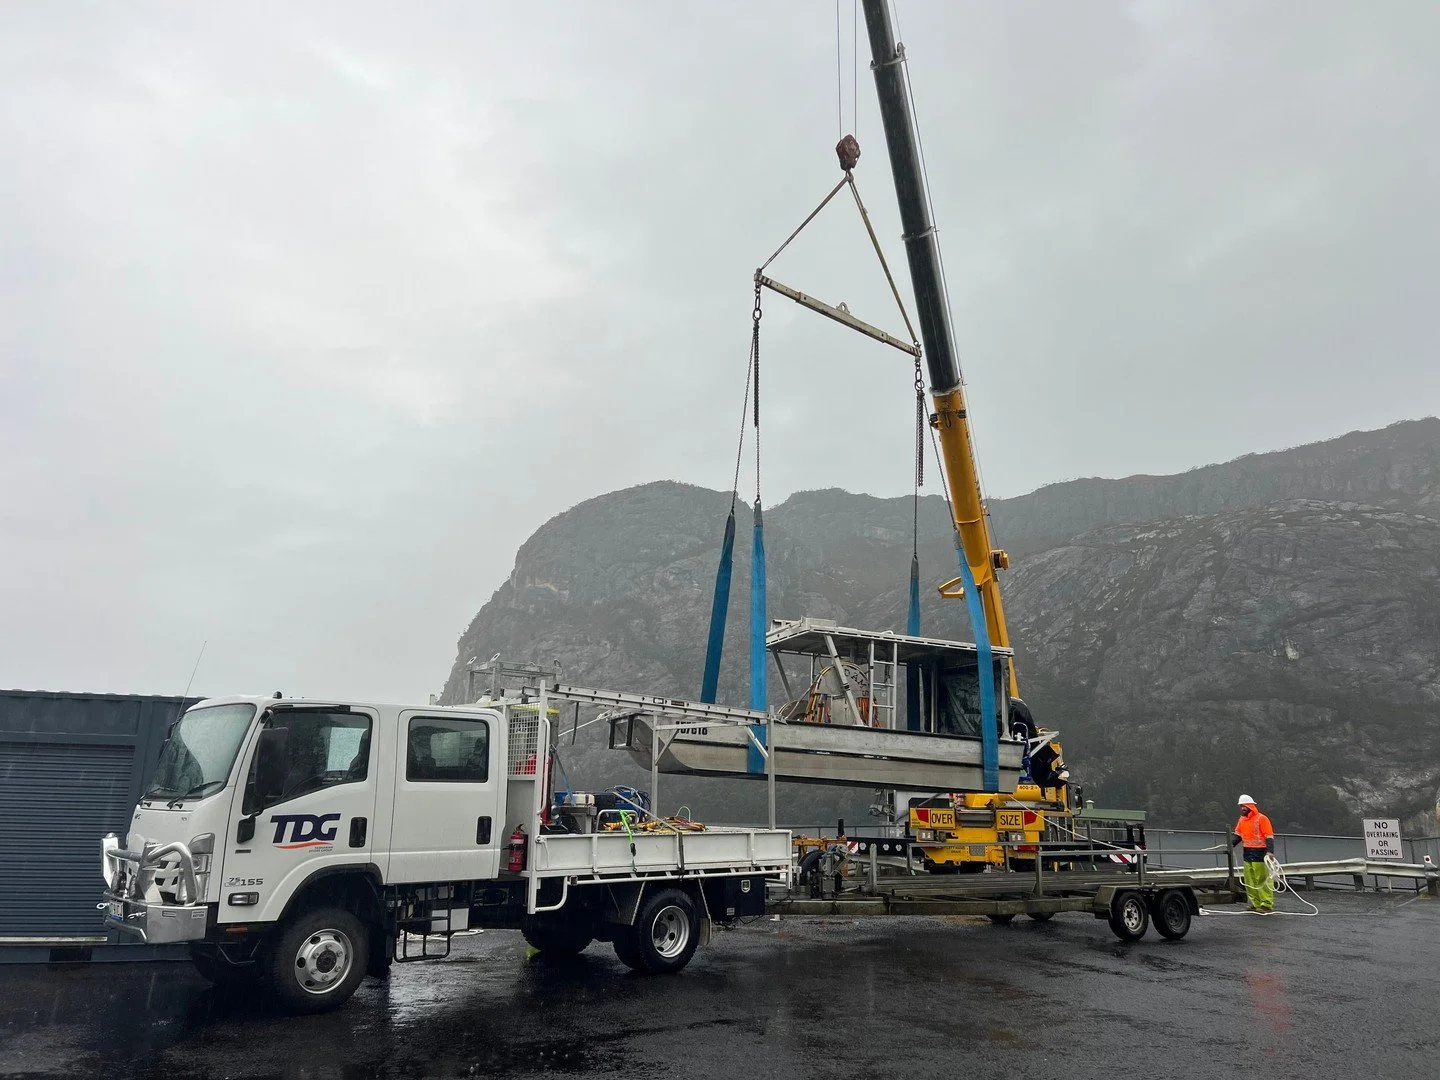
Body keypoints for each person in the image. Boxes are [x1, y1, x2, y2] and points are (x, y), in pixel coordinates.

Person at [1231, 794, 1276, 912]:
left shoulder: (1262, 818)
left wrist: (1270, 852)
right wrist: (1231, 844)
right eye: (1241, 806)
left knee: (1262, 880)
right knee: (1249, 880)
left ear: (1250, 806)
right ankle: (1256, 903)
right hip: (1247, 853)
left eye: (1244, 806)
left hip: (1260, 853)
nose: (1242, 808)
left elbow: (1269, 836)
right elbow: (1238, 835)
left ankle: (1266, 904)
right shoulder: (1242, 820)